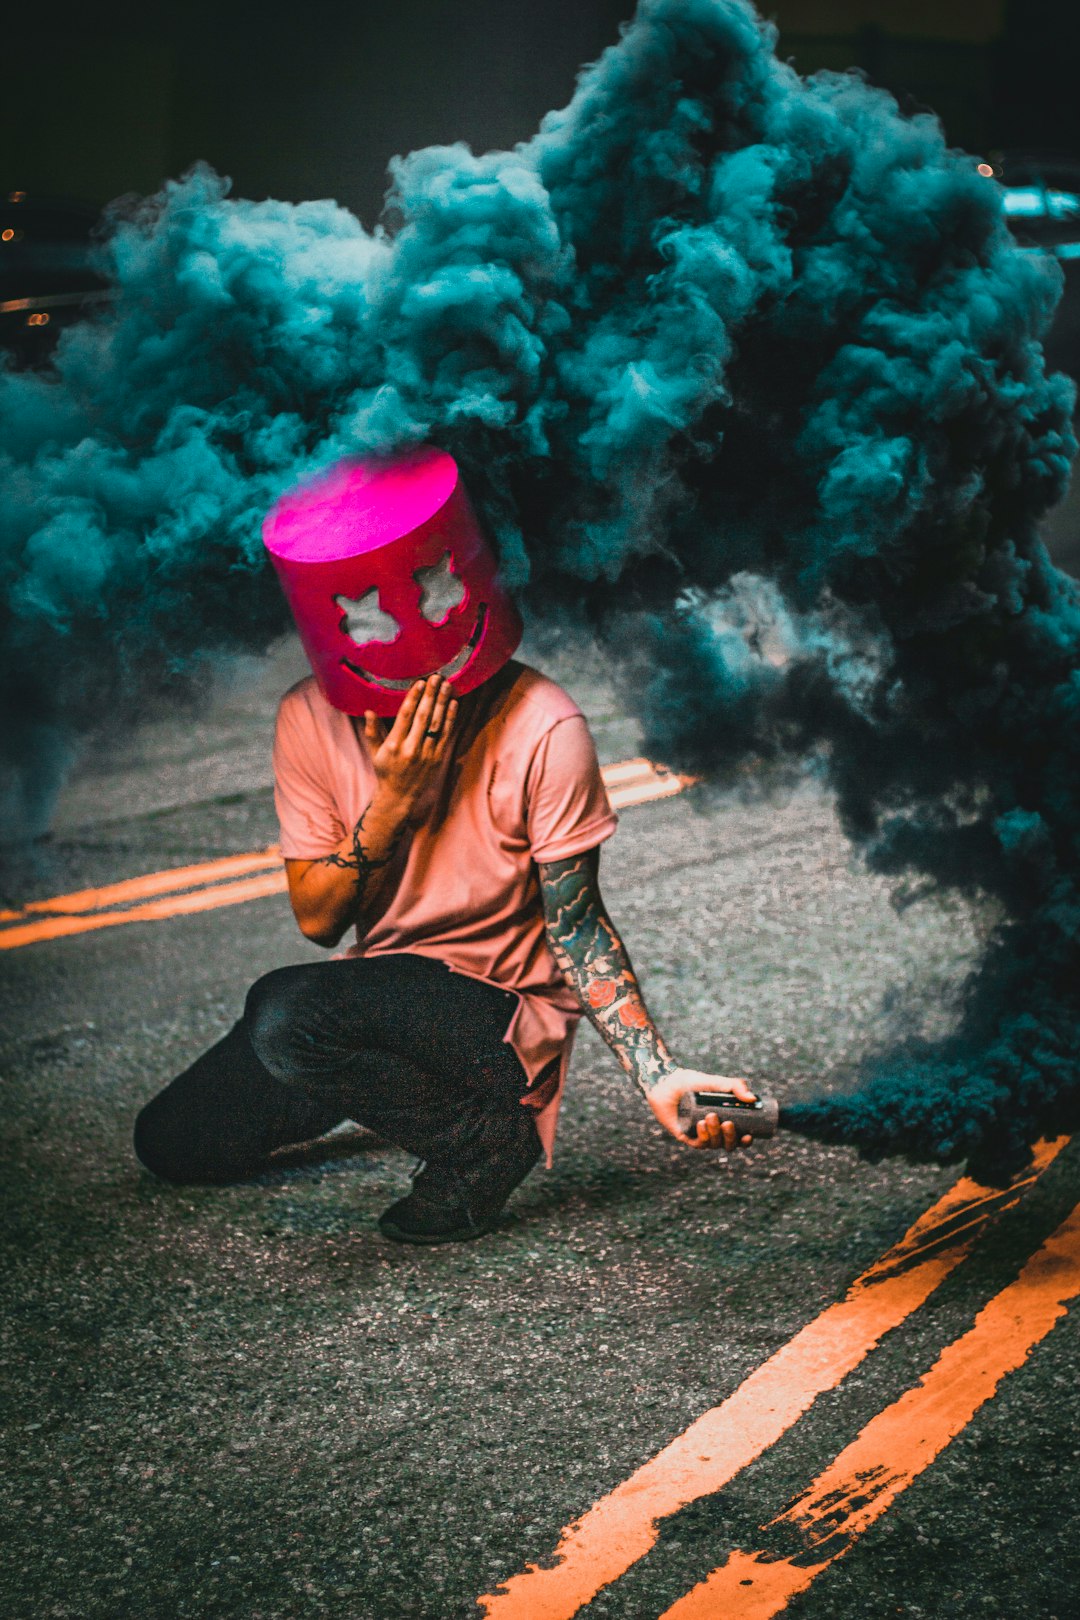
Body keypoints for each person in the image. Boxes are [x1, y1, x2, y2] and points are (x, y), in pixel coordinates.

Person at [133, 448, 755, 1244]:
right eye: (366, 612)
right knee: (173, 1142)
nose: (405, 628)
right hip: (375, 1002)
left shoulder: (542, 722)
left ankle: (487, 1142)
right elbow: (319, 921)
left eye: (433, 591)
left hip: (496, 1019)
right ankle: (375, 1081)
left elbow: (576, 927)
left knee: (285, 1015)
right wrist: (391, 805)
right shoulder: (307, 719)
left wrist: (658, 1072)